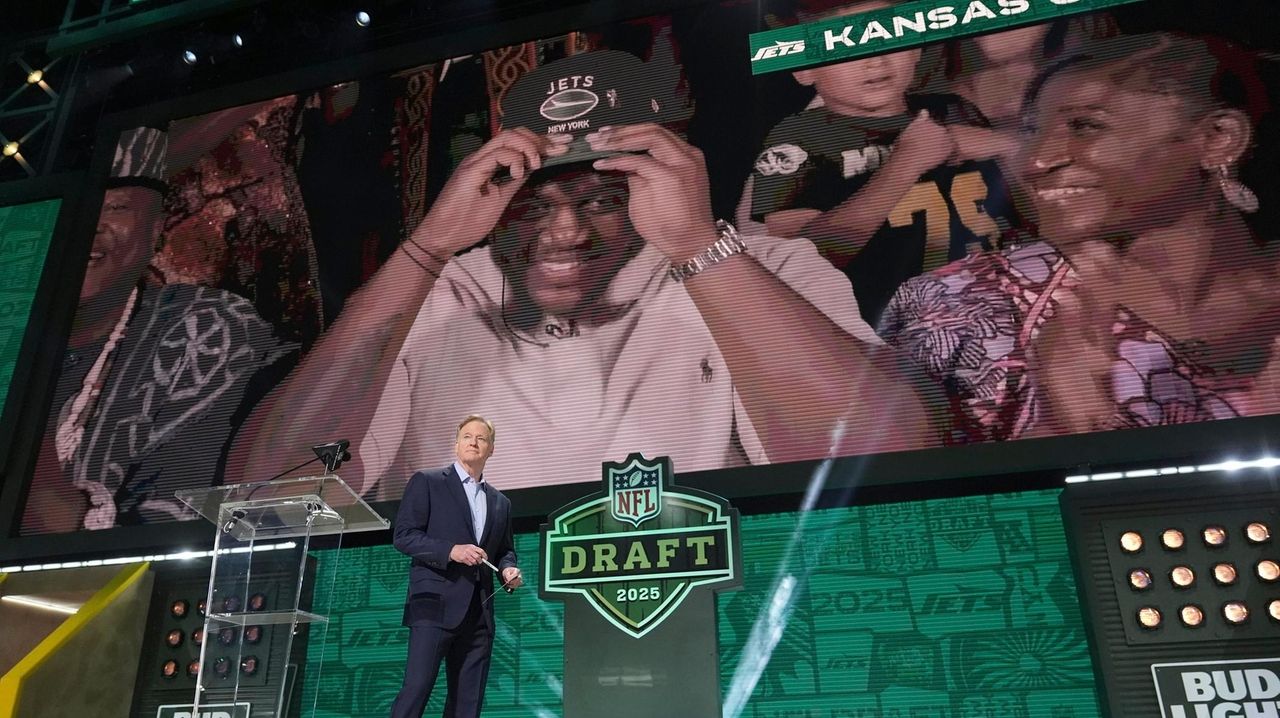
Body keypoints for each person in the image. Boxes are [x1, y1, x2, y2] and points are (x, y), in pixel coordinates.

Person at [231, 49, 926, 499]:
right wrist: (426, 250)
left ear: (665, 178)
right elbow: (270, 495)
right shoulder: (438, 289)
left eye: (602, 198)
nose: (563, 231)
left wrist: (695, 244)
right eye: (534, 202)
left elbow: (885, 460)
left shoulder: (763, 267)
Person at [880, 32, 1280, 442]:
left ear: (1217, 139)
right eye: (1032, 131)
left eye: (1085, 126)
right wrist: (1062, 405)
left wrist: (1084, 404)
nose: (1036, 161)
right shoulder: (955, 306)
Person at [20, 126, 294, 533]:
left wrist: (36, 480)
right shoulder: (15, 335)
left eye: (116, 208)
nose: (90, 224)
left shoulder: (205, 330)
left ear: (155, 231)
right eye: (73, 209)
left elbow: (175, 523)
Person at [750, 0, 1030, 328]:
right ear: (804, 68)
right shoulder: (798, 139)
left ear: (915, 48)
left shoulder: (954, 110)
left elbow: (1033, 204)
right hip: (893, 328)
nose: (875, 60)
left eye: (888, 36)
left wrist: (1005, 144)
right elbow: (797, 263)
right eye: (845, 44)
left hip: (1002, 303)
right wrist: (906, 163)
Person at [390, 414, 521, 718]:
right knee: (416, 690)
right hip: (434, 607)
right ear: (456, 444)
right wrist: (451, 551)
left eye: (481, 438)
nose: (473, 442)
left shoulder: (501, 502)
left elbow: (505, 550)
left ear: (491, 449)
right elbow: (404, 536)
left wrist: (507, 569)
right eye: (467, 436)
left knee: (467, 704)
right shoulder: (428, 482)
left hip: (479, 613)